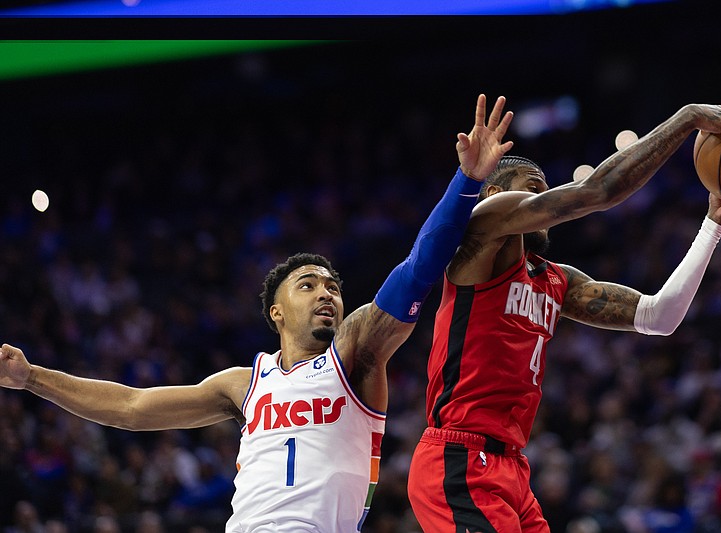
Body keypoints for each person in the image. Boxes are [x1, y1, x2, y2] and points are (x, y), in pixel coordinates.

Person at [0, 94, 515, 533]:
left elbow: (418, 270)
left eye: (333, 287)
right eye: (308, 285)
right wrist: (30, 379)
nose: (326, 294)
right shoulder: (241, 385)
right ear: (276, 312)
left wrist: (466, 182)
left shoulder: (356, 355)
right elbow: (132, 408)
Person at [406, 102, 721, 532]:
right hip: (459, 457)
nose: (542, 199)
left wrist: (713, 225)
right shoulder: (484, 227)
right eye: (533, 188)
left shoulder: (557, 281)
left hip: (511, 467)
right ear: (497, 195)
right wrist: (687, 118)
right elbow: (597, 192)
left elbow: (660, 317)